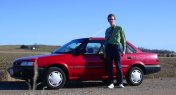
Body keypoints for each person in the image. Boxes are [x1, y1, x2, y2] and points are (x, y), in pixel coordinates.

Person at [104, 14, 126, 88]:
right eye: (109, 19)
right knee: (110, 66)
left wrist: (124, 50)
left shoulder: (119, 28)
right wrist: (104, 52)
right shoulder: (107, 30)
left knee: (118, 66)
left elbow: (123, 40)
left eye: (112, 19)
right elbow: (105, 42)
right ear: (108, 21)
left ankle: (120, 83)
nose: (111, 20)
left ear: (115, 20)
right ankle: (111, 83)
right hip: (109, 48)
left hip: (117, 48)